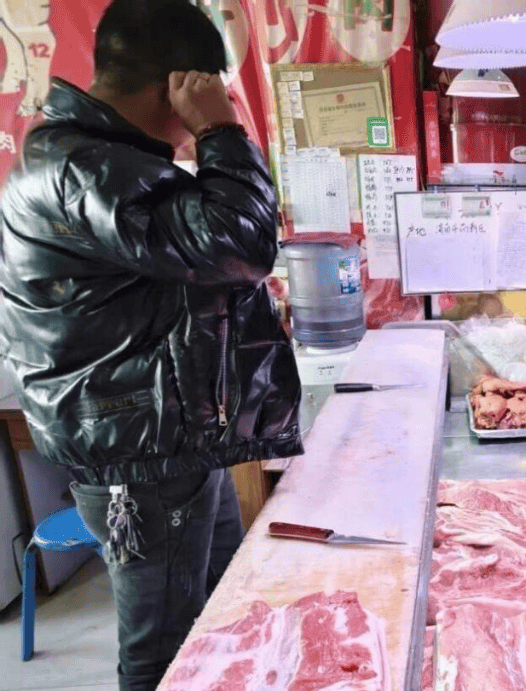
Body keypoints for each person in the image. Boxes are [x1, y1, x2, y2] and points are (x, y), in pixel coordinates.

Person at [0, 2, 303, 688]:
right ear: (180, 85)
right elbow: (243, 243)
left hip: (161, 440)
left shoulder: (96, 161)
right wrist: (220, 130)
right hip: (140, 455)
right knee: (165, 651)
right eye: (211, 90)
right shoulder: (87, 170)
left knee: (219, 616)